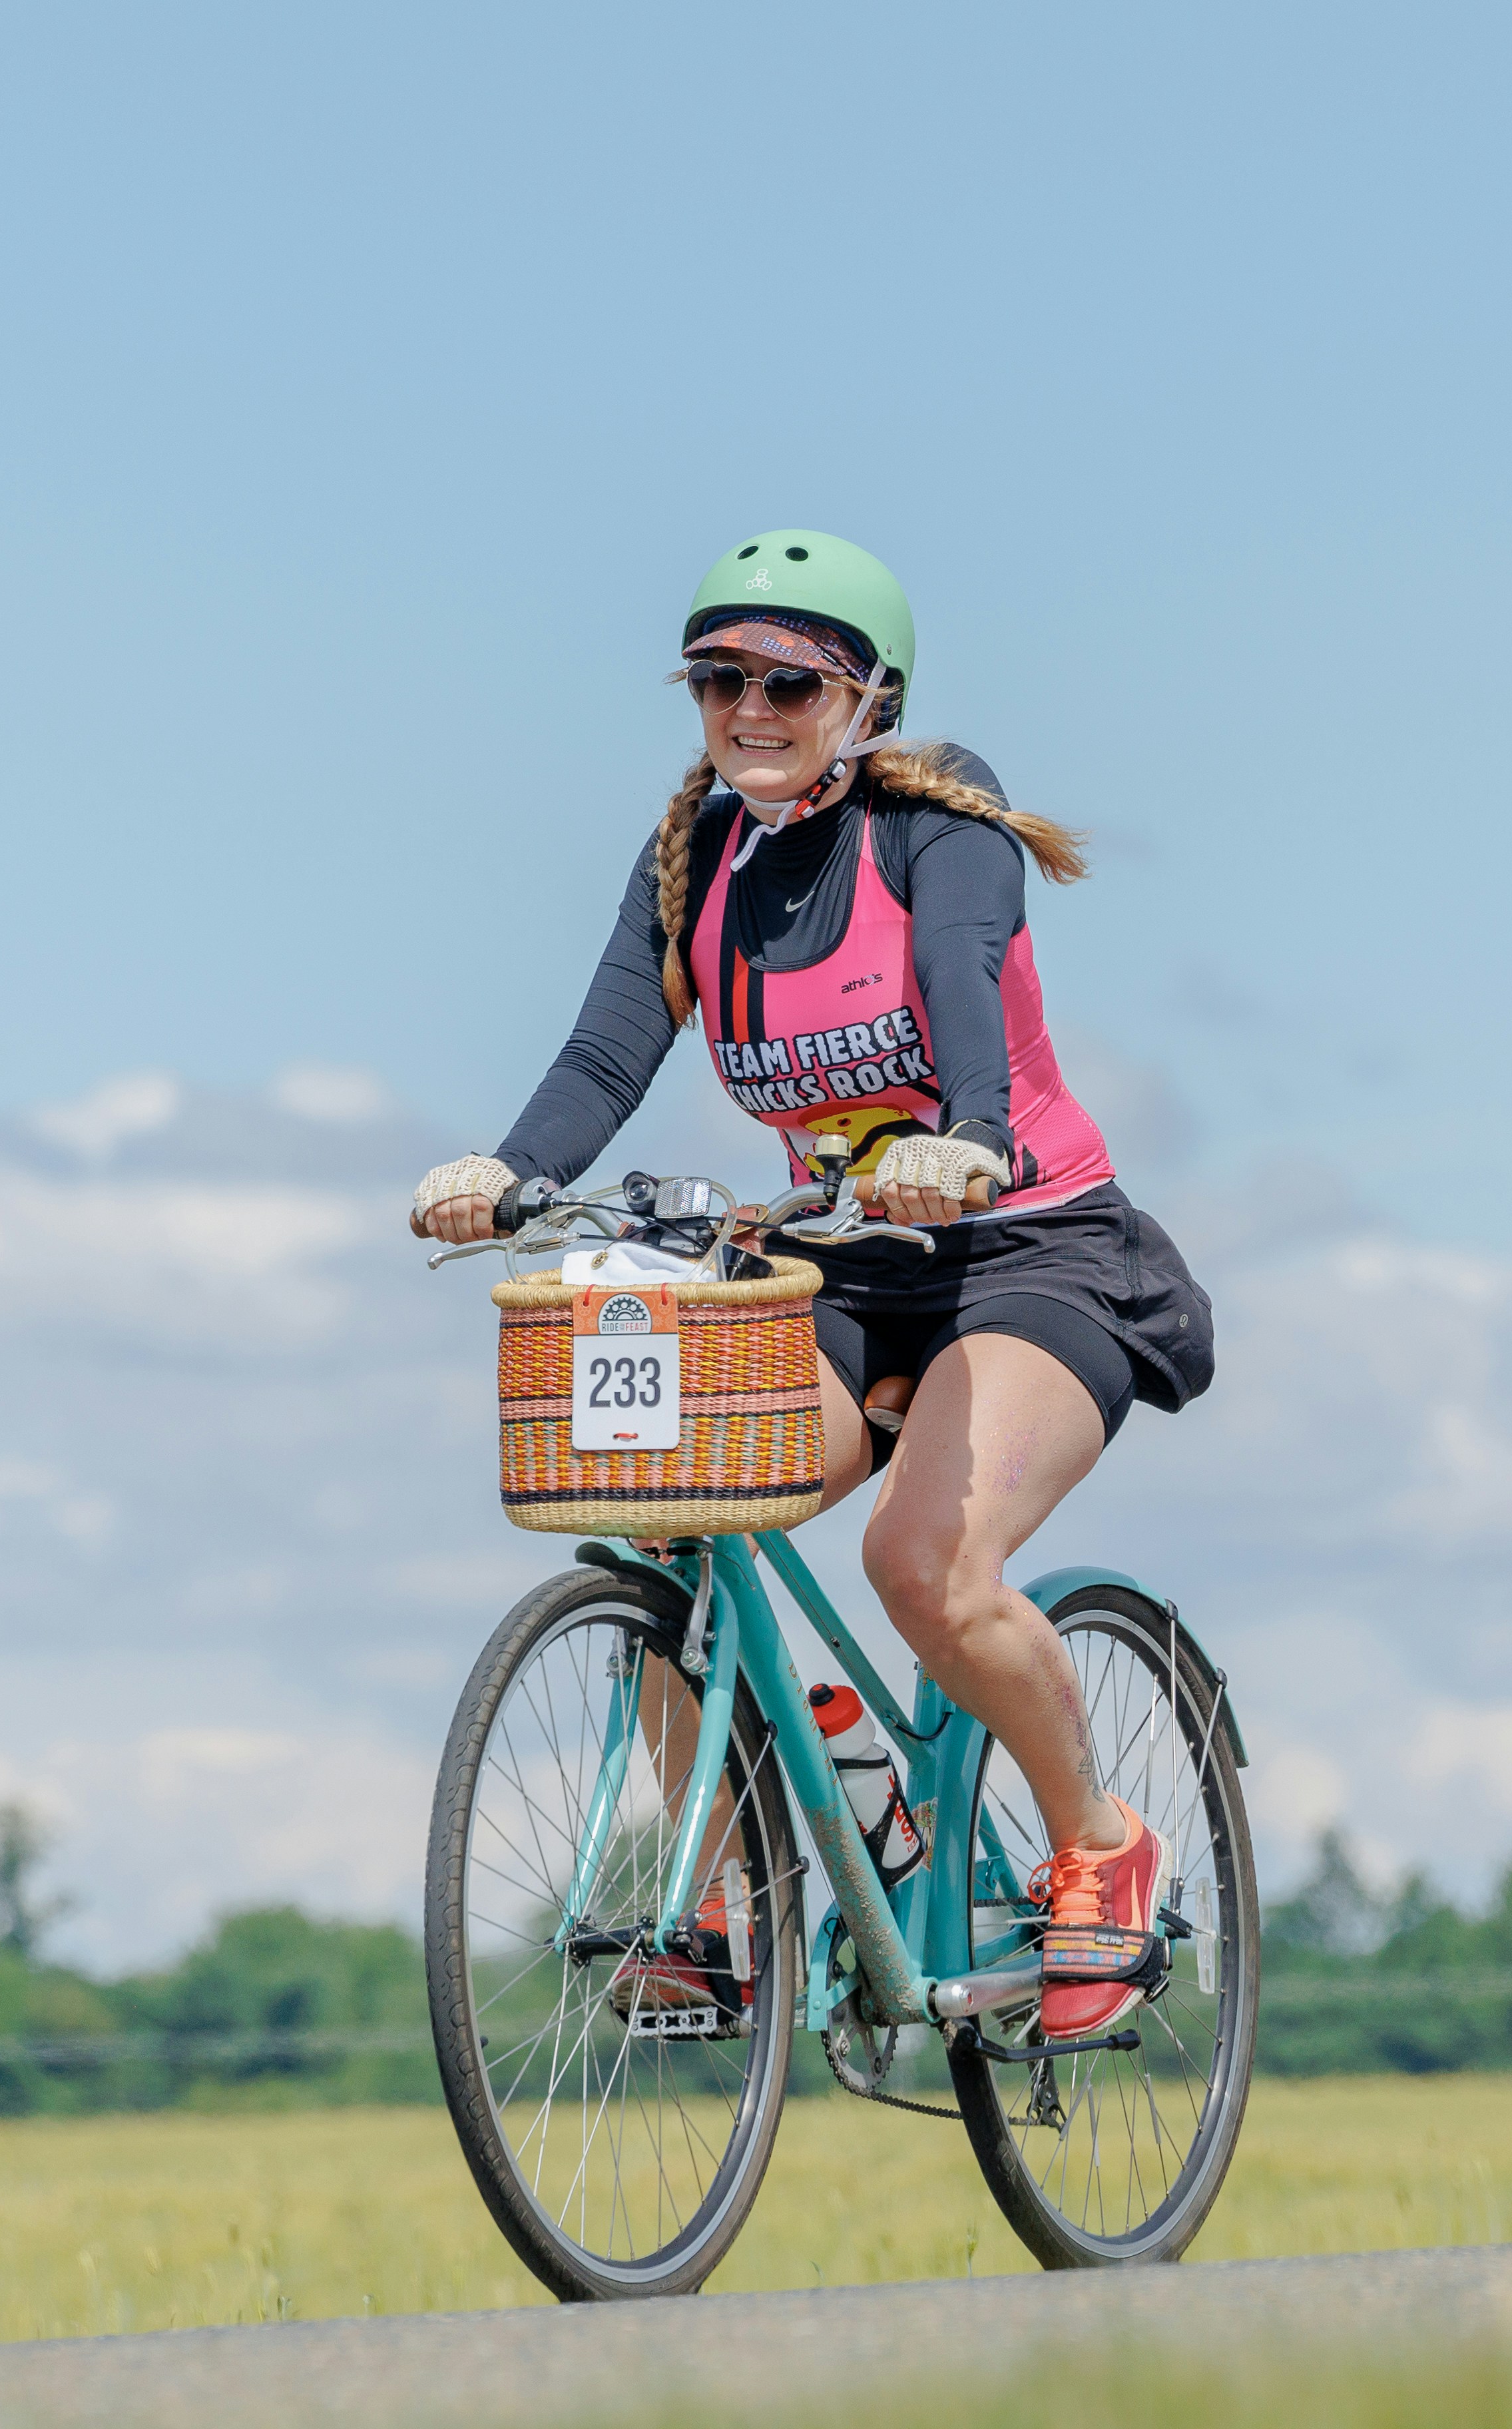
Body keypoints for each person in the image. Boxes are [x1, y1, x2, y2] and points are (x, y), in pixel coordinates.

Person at [410, 531, 1215, 2039]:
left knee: (924, 1568)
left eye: (790, 679)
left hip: (1029, 1246)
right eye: (720, 679)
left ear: (870, 699)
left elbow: (966, 990)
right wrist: (506, 1175)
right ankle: (722, 1903)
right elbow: (603, 1054)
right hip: (851, 1255)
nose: (750, 708)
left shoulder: (938, 831)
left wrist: (966, 1138)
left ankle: (1099, 1848)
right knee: (672, 1533)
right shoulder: (695, 862)